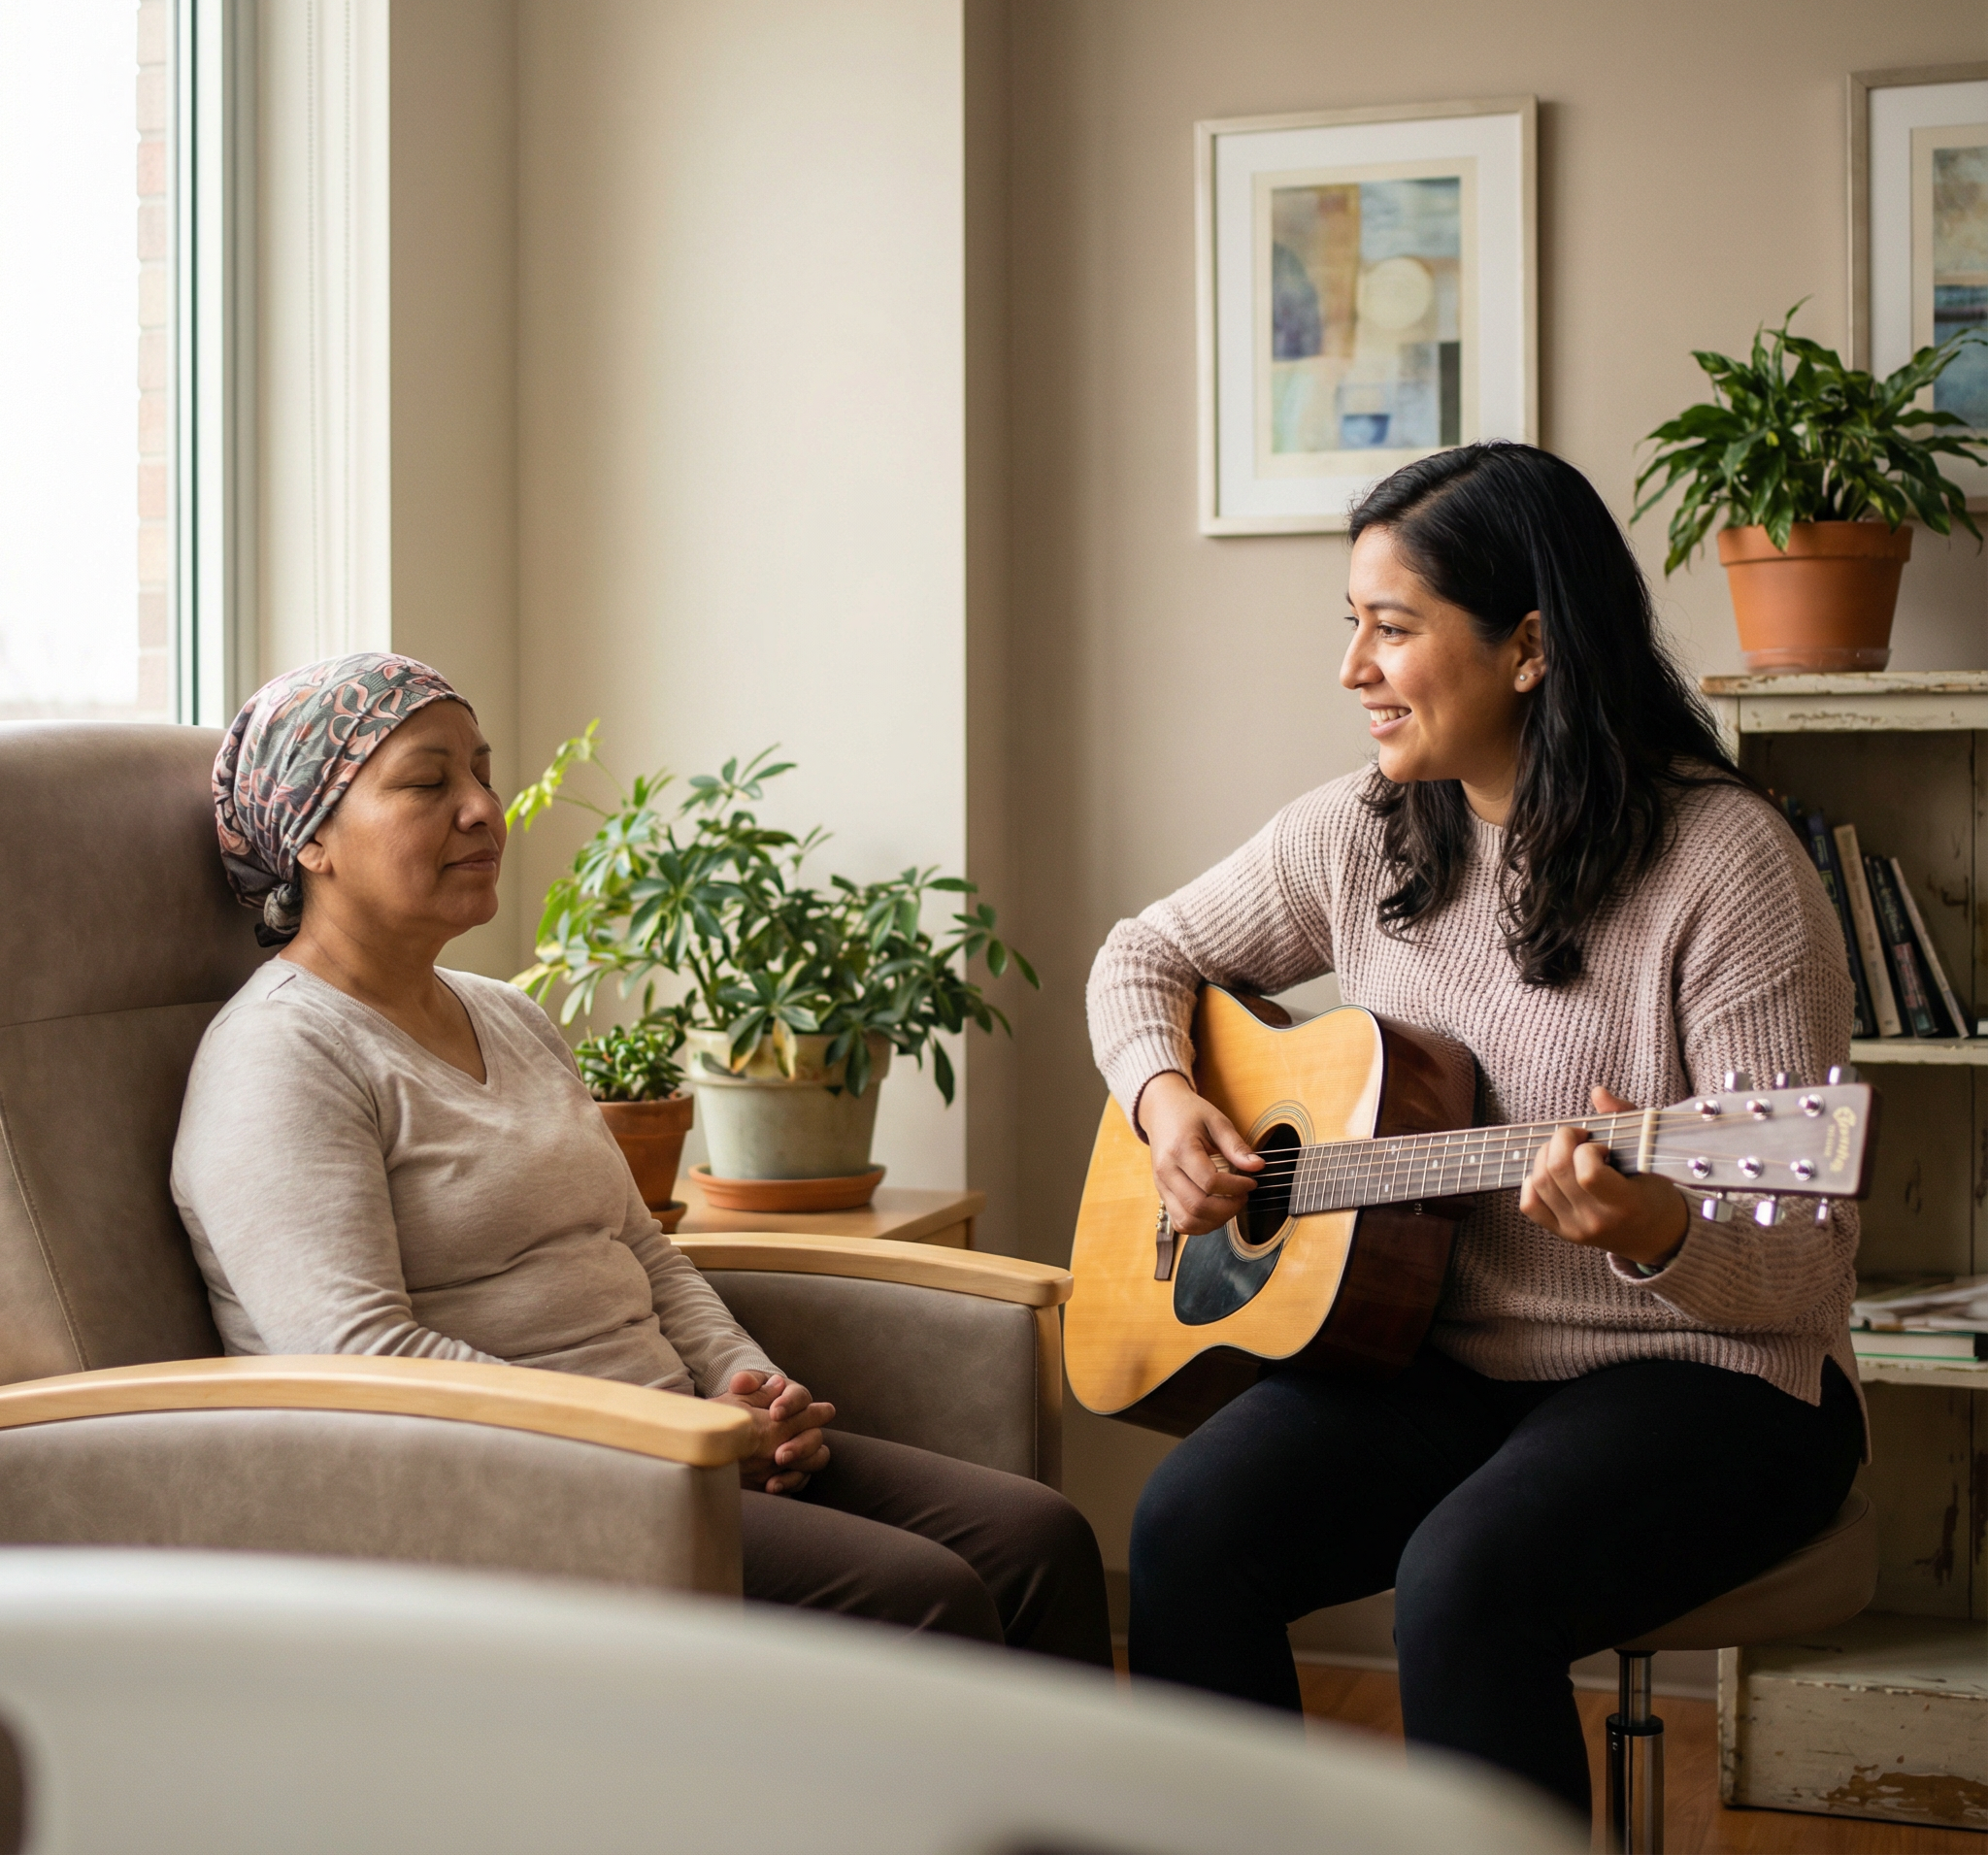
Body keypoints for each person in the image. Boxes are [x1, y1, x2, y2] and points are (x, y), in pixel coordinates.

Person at [1085, 443, 1864, 1820]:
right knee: (1187, 1529)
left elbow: (1803, 1264)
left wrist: (1655, 1226)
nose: (1353, 670)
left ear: (1528, 647)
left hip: (1714, 1377)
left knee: (1464, 1580)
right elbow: (1138, 955)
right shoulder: (1359, 837)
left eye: (1393, 629)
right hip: (1435, 1348)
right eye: (1353, 626)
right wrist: (1166, 1100)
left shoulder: (1728, 866)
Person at [174, 653, 1109, 1667]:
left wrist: (746, 1380)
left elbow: (643, 1250)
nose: (485, 807)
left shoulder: (508, 1012)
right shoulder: (280, 1055)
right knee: (918, 1595)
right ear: (311, 836)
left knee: (1038, 1540)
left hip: (663, 1441)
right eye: (428, 781)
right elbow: (360, 1357)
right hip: (498, 1495)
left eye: (482, 772)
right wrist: (659, 1436)